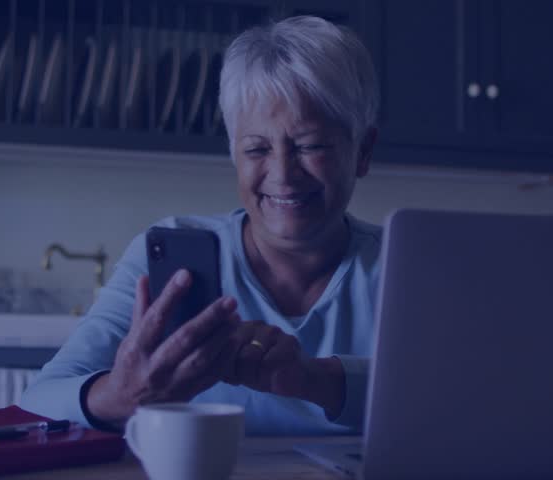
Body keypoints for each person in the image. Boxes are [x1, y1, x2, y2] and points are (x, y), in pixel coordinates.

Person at [20, 15, 381, 435]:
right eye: (257, 149)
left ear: (363, 151)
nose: (282, 173)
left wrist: (312, 379)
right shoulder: (170, 257)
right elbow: (36, 403)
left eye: (310, 146)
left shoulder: (407, 267)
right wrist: (123, 394)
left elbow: (465, 403)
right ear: (233, 154)